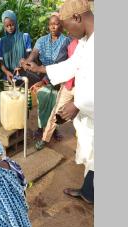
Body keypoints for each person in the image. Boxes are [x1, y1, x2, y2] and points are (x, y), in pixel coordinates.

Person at [27, 0, 94, 204]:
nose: (67, 33)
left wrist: (78, 104)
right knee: (93, 154)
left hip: (92, 108)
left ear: (77, 18)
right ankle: (89, 192)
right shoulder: (85, 41)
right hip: (91, 113)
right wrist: (41, 69)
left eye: (65, 27)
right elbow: (74, 64)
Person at [21, 12, 72, 142]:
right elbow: (34, 53)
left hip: (59, 75)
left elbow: (64, 62)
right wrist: (27, 61)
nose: (53, 27)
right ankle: (40, 127)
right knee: (43, 100)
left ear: (61, 25)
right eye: (51, 24)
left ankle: (53, 129)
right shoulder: (42, 40)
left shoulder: (66, 41)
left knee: (56, 103)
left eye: (56, 24)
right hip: (43, 73)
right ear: (48, 26)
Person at [34, 38, 79, 150]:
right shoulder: (70, 43)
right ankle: (45, 138)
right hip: (68, 84)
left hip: (84, 87)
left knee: (84, 118)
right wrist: (44, 78)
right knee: (56, 112)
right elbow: (59, 63)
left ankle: (81, 145)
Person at [0, 10, 32, 86]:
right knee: (8, 97)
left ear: (16, 23)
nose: (10, 28)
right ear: (4, 26)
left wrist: (23, 66)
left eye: (12, 25)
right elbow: (1, 63)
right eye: (7, 26)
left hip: (24, 75)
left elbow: (30, 57)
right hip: (9, 76)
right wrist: (6, 72)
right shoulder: (1, 42)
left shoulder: (24, 37)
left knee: (24, 95)